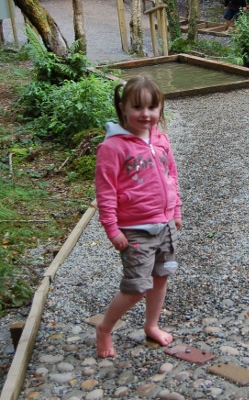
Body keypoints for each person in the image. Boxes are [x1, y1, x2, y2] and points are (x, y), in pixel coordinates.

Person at [95, 76, 182, 358]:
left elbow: (172, 176)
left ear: (160, 108)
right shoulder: (113, 147)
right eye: (137, 107)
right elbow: (105, 191)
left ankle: (151, 325)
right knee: (135, 288)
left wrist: (176, 211)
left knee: (160, 278)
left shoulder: (161, 140)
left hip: (164, 224)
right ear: (123, 108)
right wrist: (112, 229)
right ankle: (105, 329)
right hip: (134, 229)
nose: (146, 114)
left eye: (152, 107)